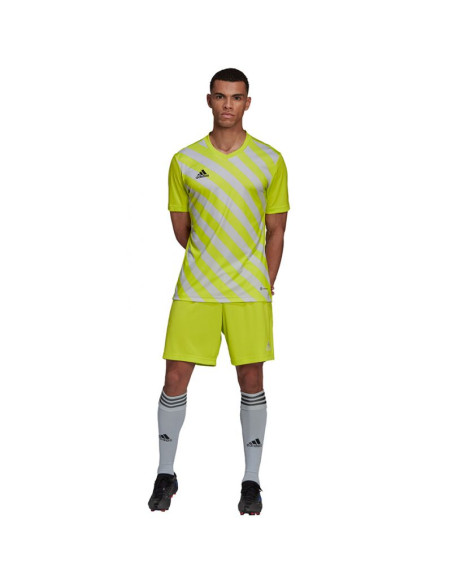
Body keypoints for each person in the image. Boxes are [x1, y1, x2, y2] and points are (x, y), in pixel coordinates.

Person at [148, 68, 290, 515]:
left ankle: (252, 480)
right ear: (209, 100)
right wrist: (211, 258)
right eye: (221, 96)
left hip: (248, 291)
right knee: (174, 379)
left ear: (248, 102)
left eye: (237, 97)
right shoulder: (184, 160)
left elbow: (276, 230)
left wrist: (265, 282)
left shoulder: (270, 160)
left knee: (252, 381)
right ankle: (165, 473)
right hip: (197, 287)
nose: (228, 104)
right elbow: (182, 230)